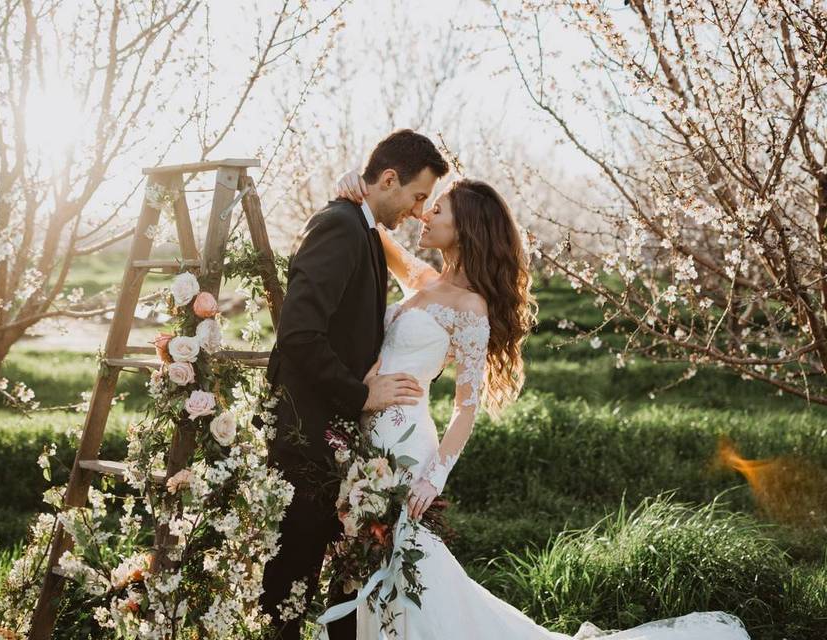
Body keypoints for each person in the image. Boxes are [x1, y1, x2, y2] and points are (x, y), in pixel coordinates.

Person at [325, 171, 751, 640]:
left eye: (438, 209)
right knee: (374, 555)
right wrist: (355, 185)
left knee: (406, 557)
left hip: (407, 445)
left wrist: (434, 477)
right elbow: (377, 226)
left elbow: (467, 407)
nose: (425, 214)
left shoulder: (470, 309)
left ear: (465, 228)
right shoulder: (421, 281)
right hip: (368, 437)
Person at [258, 129, 450, 640]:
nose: (417, 211)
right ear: (388, 179)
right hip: (308, 431)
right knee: (290, 579)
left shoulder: (362, 226)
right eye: (416, 196)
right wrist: (362, 394)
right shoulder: (340, 227)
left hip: (337, 437)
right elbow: (299, 333)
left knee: (335, 580)